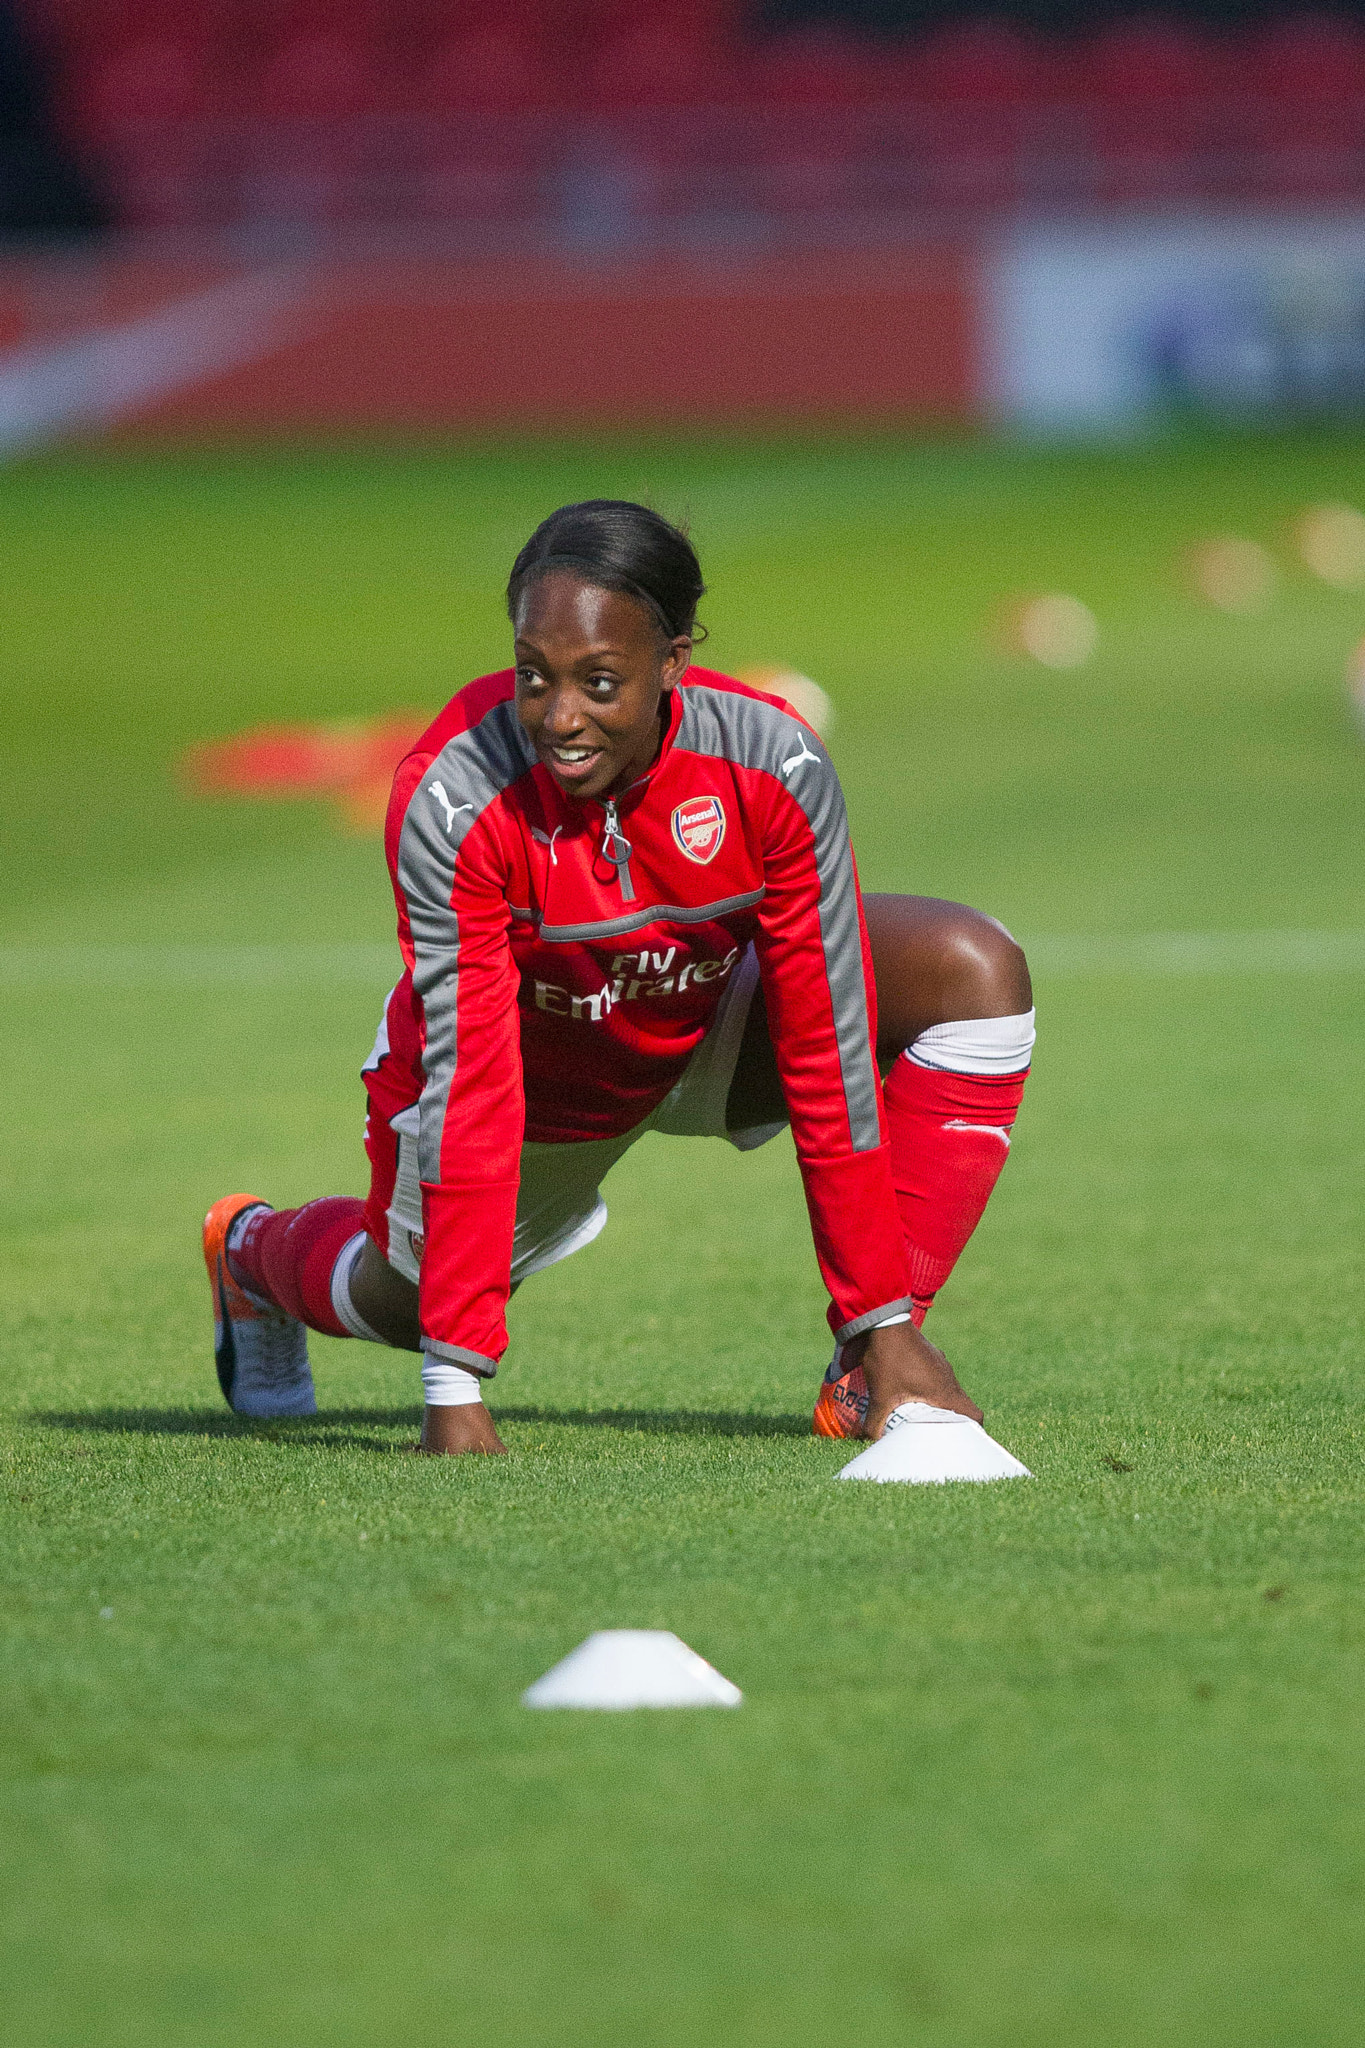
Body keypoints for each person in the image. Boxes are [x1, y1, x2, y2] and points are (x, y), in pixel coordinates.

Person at [202, 501, 1034, 1455]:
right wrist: (454, 1386)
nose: (560, 718)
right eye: (533, 677)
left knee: (973, 972)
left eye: (600, 682)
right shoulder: (452, 795)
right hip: (528, 1084)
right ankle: (252, 1254)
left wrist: (881, 1319)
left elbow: (823, 1039)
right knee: (406, 1304)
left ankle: (870, 1368)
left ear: (674, 659)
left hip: (702, 1013)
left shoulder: (771, 762)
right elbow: (471, 1082)